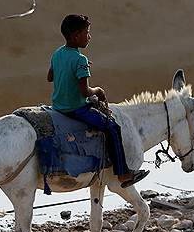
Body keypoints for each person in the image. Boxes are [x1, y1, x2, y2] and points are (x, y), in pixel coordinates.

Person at [47, 14, 149, 188]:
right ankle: (123, 173)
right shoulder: (80, 60)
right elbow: (85, 91)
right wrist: (98, 90)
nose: (89, 36)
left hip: (58, 106)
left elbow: (50, 77)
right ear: (75, 36)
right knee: (112, 127)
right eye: (86, 33)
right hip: (76, 108)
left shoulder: (58, 53)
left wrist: (74, 70)